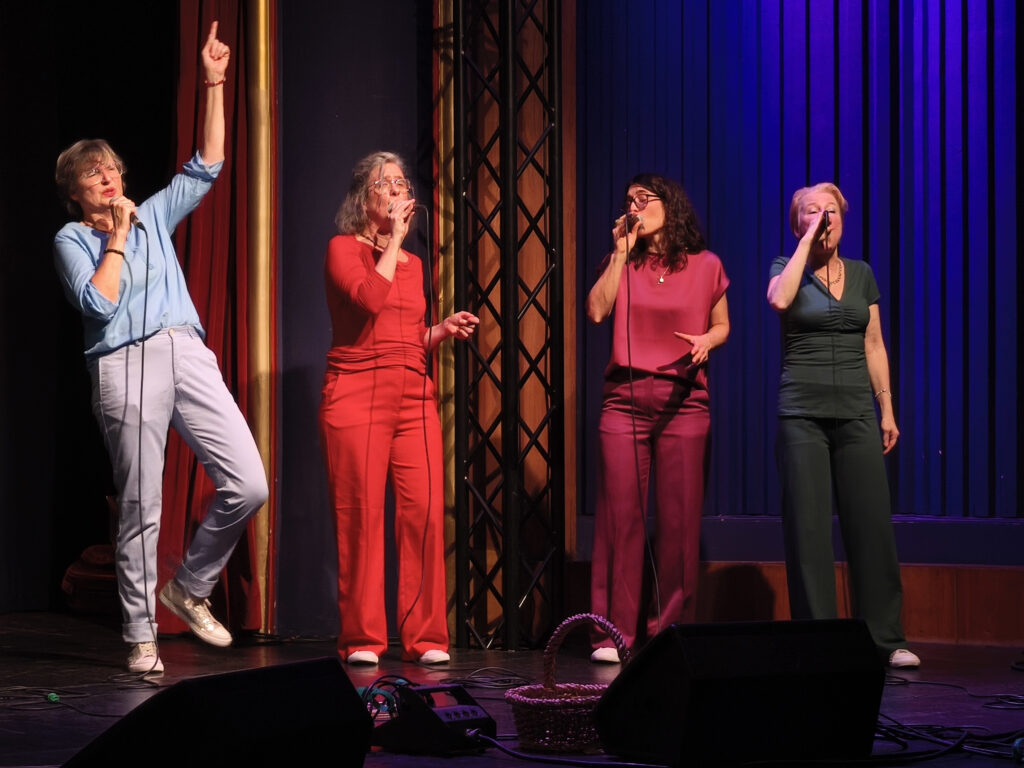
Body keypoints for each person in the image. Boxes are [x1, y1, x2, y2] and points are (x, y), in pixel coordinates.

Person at [53, 22, 268, 675]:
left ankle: (190, 586)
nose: (107, 175)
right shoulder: (72, 239)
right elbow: (97, 305)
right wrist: (117, 237)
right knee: (141, 501)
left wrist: (214, 81)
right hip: (122, 363)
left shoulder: (153, 213)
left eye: (111, 166)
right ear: (75, 192)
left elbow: (208, 163)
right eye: (92, 172)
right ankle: (141, 633)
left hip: (184, 349)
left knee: (248, 482)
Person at [320, 151, 479, 666]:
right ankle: (363, 639)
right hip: (355, 393)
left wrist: (440, 330)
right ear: (363, 198)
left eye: (401, 183)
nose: (396, 189)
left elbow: (403, 339)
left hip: (413, 395)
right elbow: (368, 301)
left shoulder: (414, 265)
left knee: (424, 514)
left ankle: (426, 637)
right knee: (362, 518)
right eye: (384, 183)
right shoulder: (343, 249)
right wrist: (392, 242)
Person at [766, 182, 919, 669]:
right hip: (802, 415)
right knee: (808, 533)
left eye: (830, 210)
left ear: (844, 220)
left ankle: (886, 639)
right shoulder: (784, 267)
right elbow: (779, 300)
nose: (823, 217)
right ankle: (820, 642)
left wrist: (886, 409)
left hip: (855, 412)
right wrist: (806, 242)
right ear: (797, 224)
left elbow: (874, 343)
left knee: (871, 527)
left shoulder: (862, 273)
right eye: (811, 211)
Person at [586, 173, 730, 662]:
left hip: (684, 402)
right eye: (628, 200)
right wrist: (620, 254)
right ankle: (612, 634)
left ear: (669, 204)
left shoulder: (707, 265)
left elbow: (722, 324)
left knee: (678, 525)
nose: (633, 207)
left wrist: (708, 341)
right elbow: (596, 311)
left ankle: (670, 633)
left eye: (643, 199)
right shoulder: (623, 263)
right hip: (624, 401)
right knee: (619, 519)